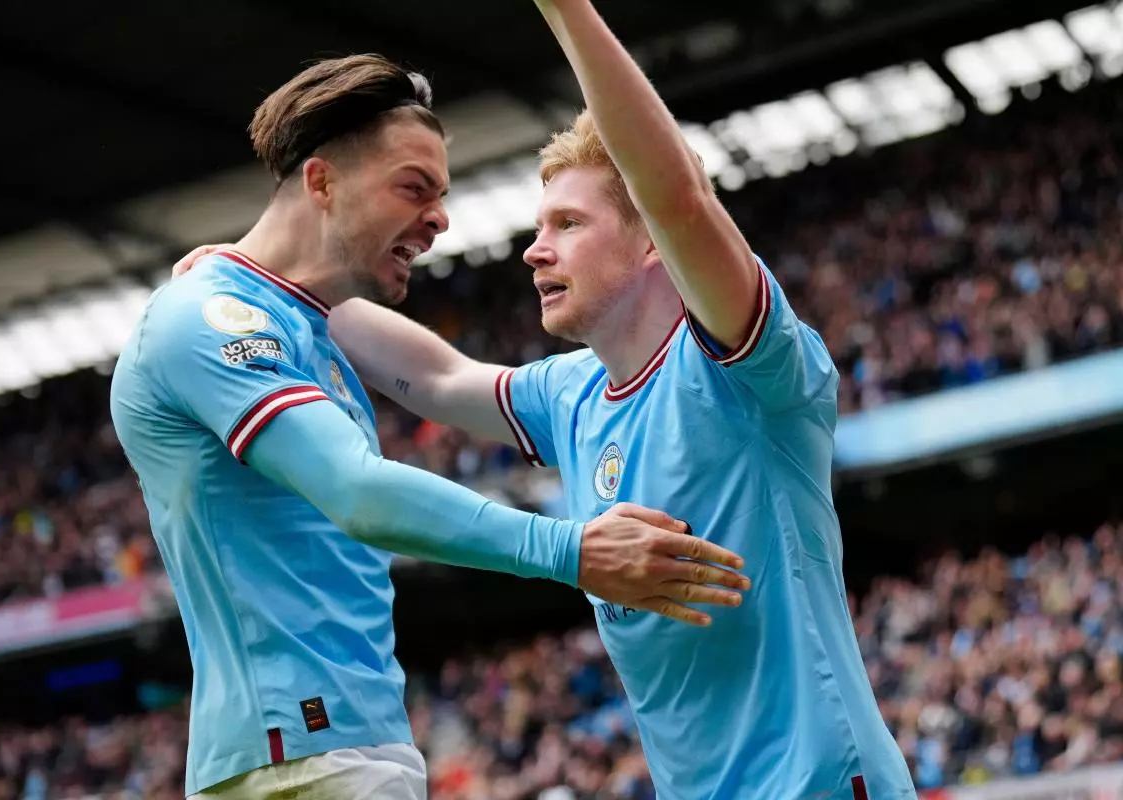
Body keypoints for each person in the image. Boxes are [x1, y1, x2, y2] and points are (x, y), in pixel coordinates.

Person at [180, 3, 921, 796]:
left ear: (649, 244)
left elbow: (678, 197)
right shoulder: (574, 398)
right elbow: (435, 380)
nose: (535, 249)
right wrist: (258, 279)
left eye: (568, 223)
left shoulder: (747, 369)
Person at [112, 54, 750, 800]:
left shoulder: (305, 326)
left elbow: (445, 378)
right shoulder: (209, 318)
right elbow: (358, 493)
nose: (442, 218)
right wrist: (573, 549)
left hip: (343, 747)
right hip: (297, 755)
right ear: (321, 182)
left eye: (442, 196)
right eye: (414, 187)